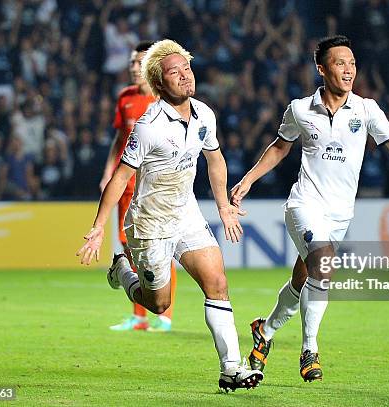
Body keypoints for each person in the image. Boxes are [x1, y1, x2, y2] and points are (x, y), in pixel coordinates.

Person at [230, 35, 389, 382]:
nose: (349, 69)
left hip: (340, 214)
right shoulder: (300, 109)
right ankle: (310, 350)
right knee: (322, 266)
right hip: (304, 203)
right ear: (321, 68)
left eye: (351, 63)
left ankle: (265, 330)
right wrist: (248, 180)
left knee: (303, 276)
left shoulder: (366, 109)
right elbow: (279, 148)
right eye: (340, 63)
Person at [76, 39, 263, 391]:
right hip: (149, 223)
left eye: (187, 69)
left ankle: (231, 368)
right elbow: (119, 178)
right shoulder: (149, 126)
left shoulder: (205, 114)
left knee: (217, 283)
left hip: (186, 213)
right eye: (174, 72)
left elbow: (216, 159)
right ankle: (122, 271)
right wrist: (99, 227)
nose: (184, 77)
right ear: (160, 83)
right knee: (159, 304)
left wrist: (223, 206)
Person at [100, 40, 177, 332]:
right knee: (131, 249)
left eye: (139, 63)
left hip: (153, 190)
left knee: (161, 249)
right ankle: (140, 317)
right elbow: (120, 139)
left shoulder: (164, 103)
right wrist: (108, 171)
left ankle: (164, 316)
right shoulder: (125, 98)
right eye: (131, 63)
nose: (133, 68)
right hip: (125, 186)